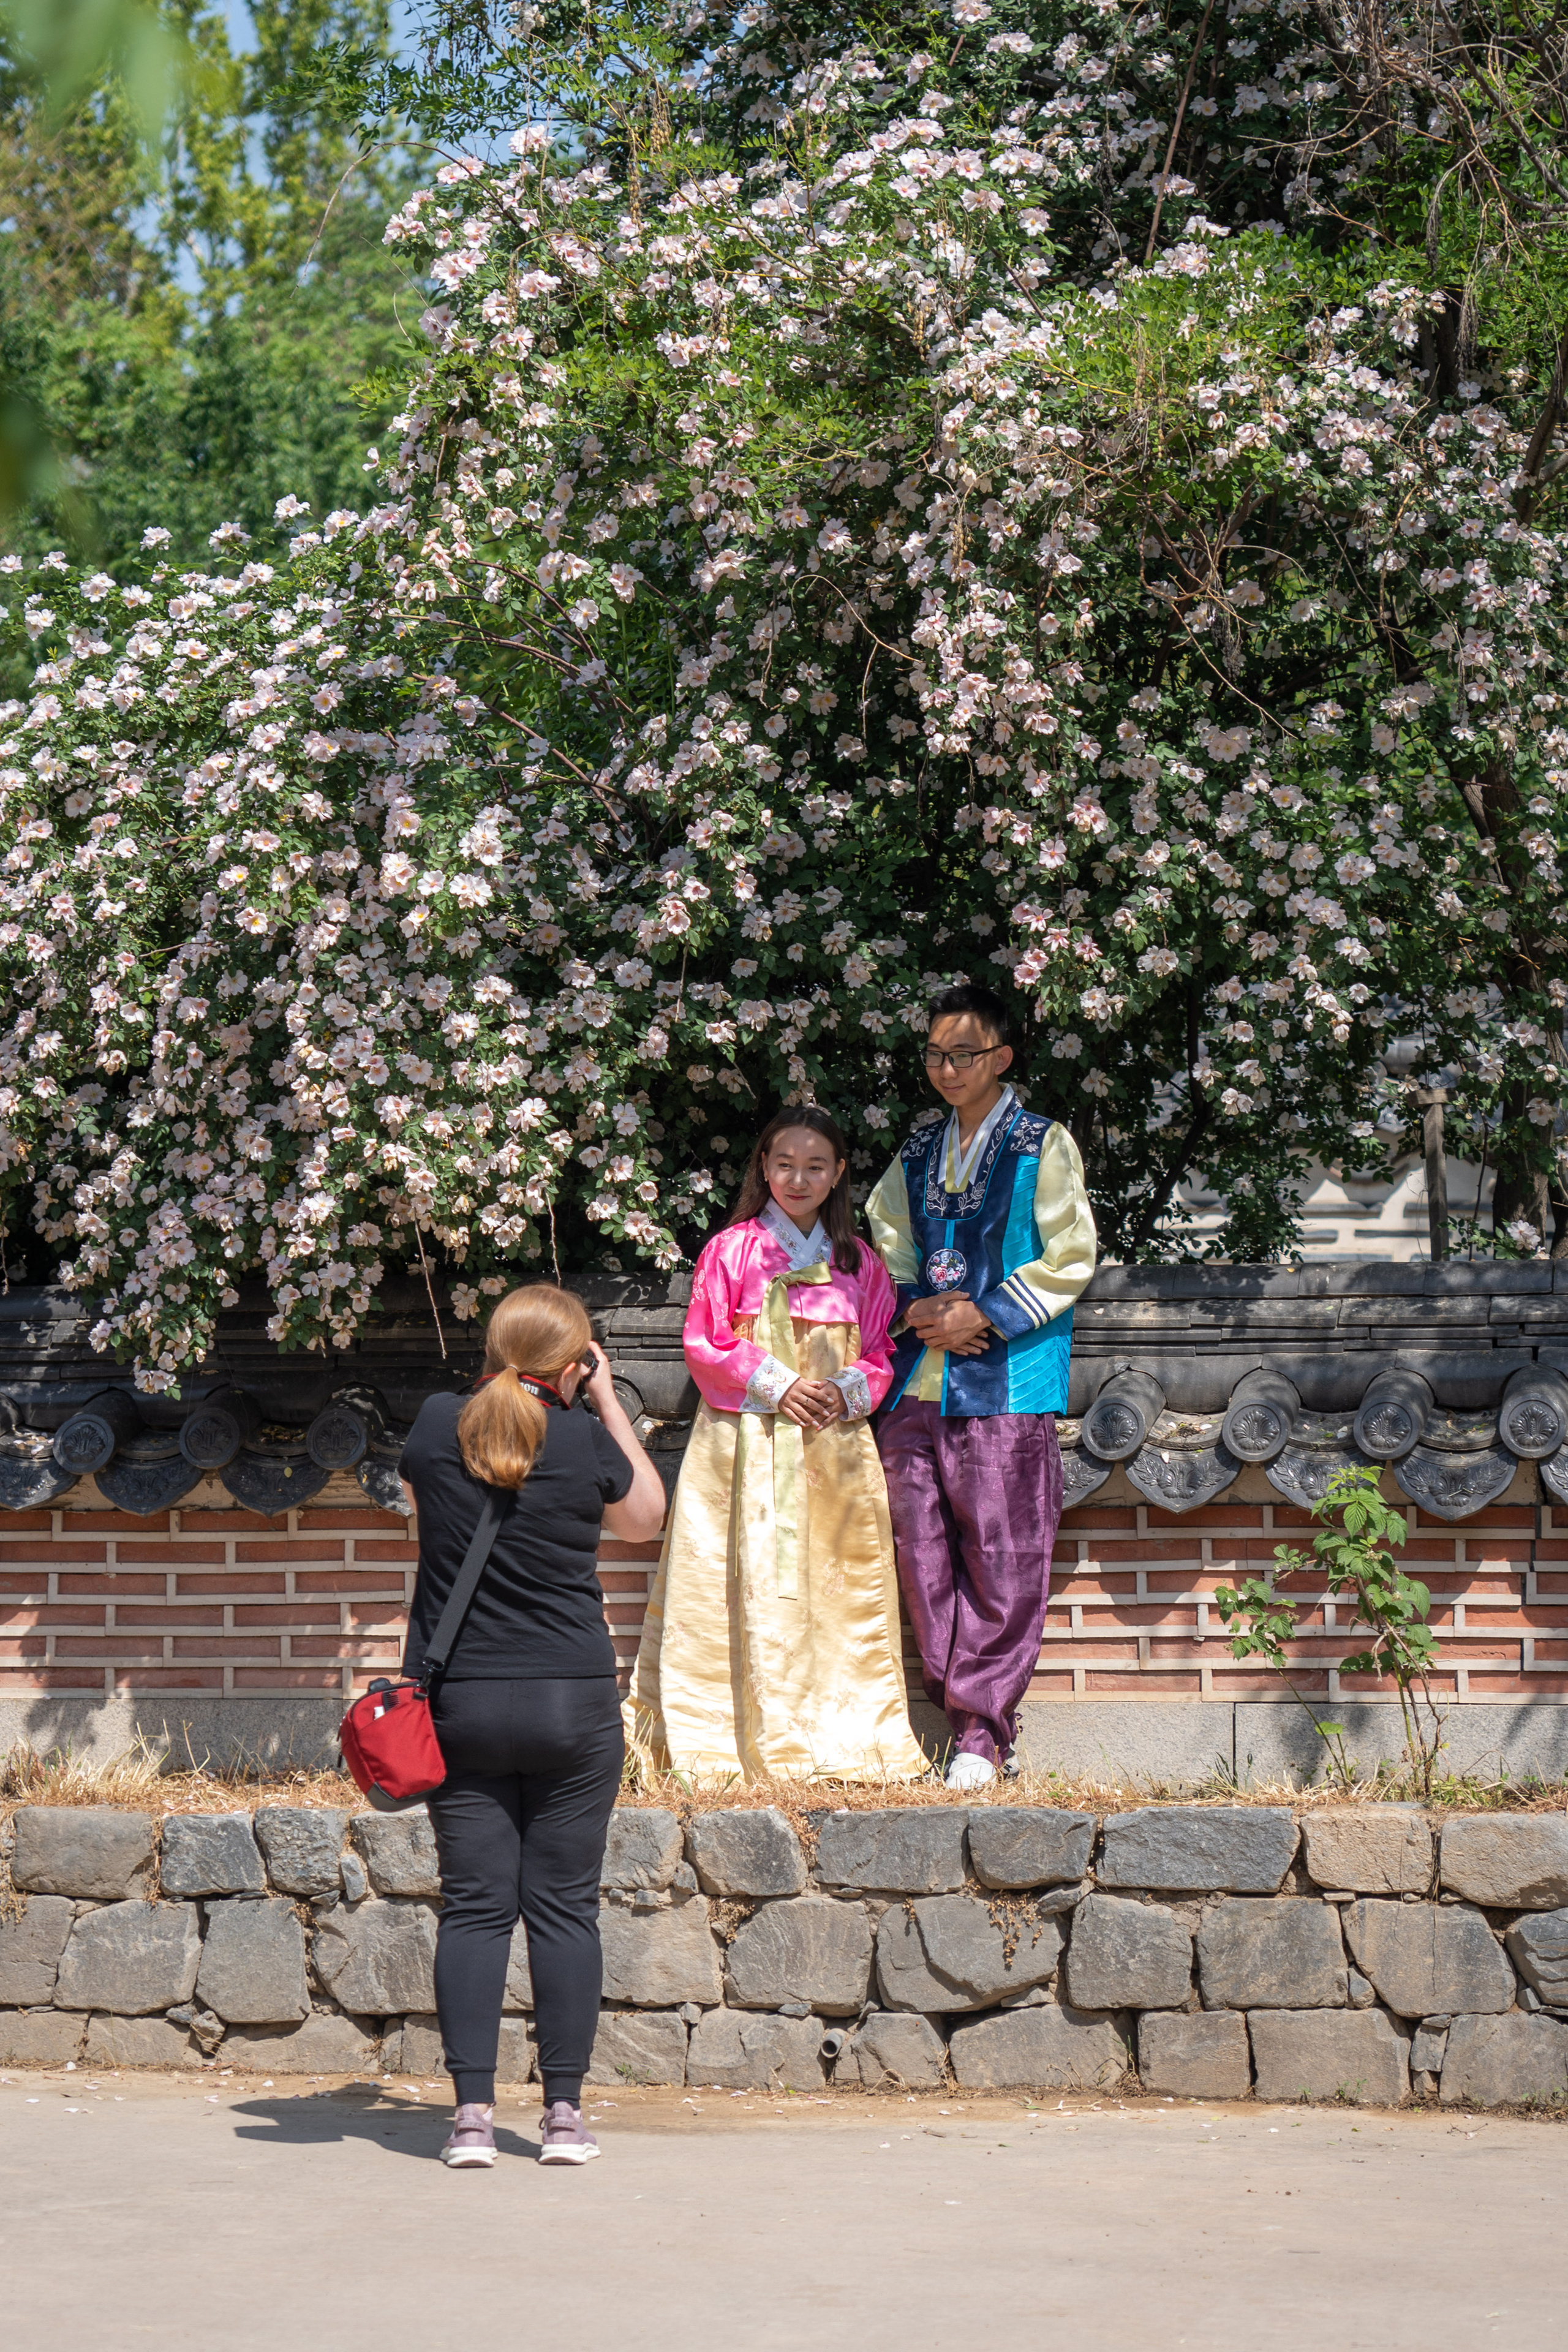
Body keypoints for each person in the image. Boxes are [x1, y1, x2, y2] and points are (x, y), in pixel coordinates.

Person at [398, 1281, 666, 2170]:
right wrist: (601, 1399)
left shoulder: (438, 1425)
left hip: (463, 1703)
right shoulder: (587, 1438)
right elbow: (643, 1522)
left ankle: (471, 2119)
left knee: (474, 1909)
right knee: (563, 1911)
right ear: (573, 1360)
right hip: (570, 1704)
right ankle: (562, 2118)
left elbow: (423, 1519)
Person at [630, 1106, 927, 1782]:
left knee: (839, 1589)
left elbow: (882, 1350)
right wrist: (778, 1383)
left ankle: (846, 1738)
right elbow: (705, 1343)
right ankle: (729, 1736)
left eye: (815, 1165)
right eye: (784, 1163)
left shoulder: (860, 1264)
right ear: (763, 1168)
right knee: (740, 1580)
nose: (798, 1178)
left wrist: (843, 1387)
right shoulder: (730, 1251)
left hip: (832, 1448)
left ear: (838, 1175)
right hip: (743, 1444)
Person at [866, 982, 1097, 1790]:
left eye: (963, 1053)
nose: (946, 1066)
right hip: (915, 1387)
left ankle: (984, 1734)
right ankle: (965, 1718)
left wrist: (985, 1317)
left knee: (1003, 1557)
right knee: (921, 1557)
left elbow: (1070, 1256)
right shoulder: (916, 1154)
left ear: (1001, 1057)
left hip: (1006, 1381)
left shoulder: (1043, 1144)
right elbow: (885, 1254)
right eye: (934, 1053)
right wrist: (919, 1310)